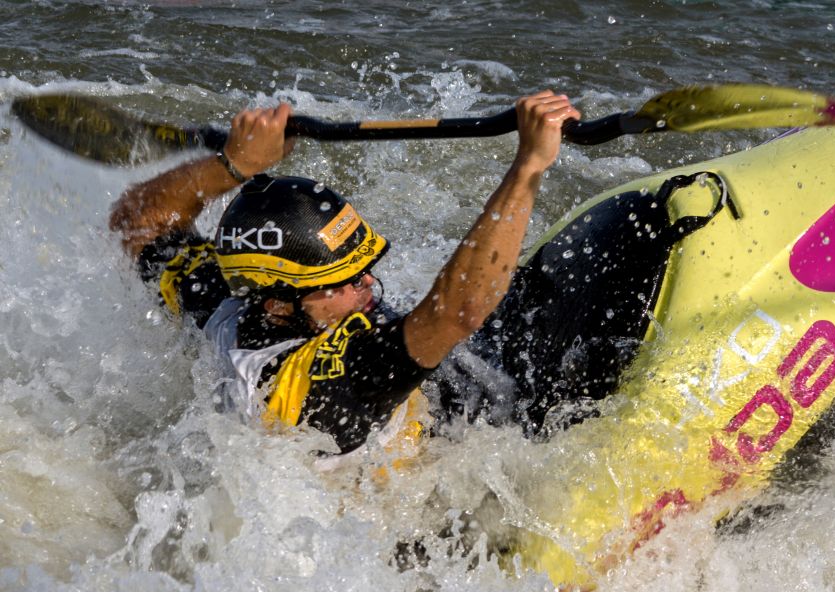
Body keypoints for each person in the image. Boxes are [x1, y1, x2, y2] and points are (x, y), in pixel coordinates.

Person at [109, 92, 581, 461]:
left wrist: (235, 165)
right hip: (425, 505)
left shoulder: (224, 304)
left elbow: (138, 220)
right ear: (278, 303)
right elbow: (458, 313)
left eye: (364, 271)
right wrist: (528, 167)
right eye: (345, 282)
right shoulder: (324, 378)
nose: (369, 286)